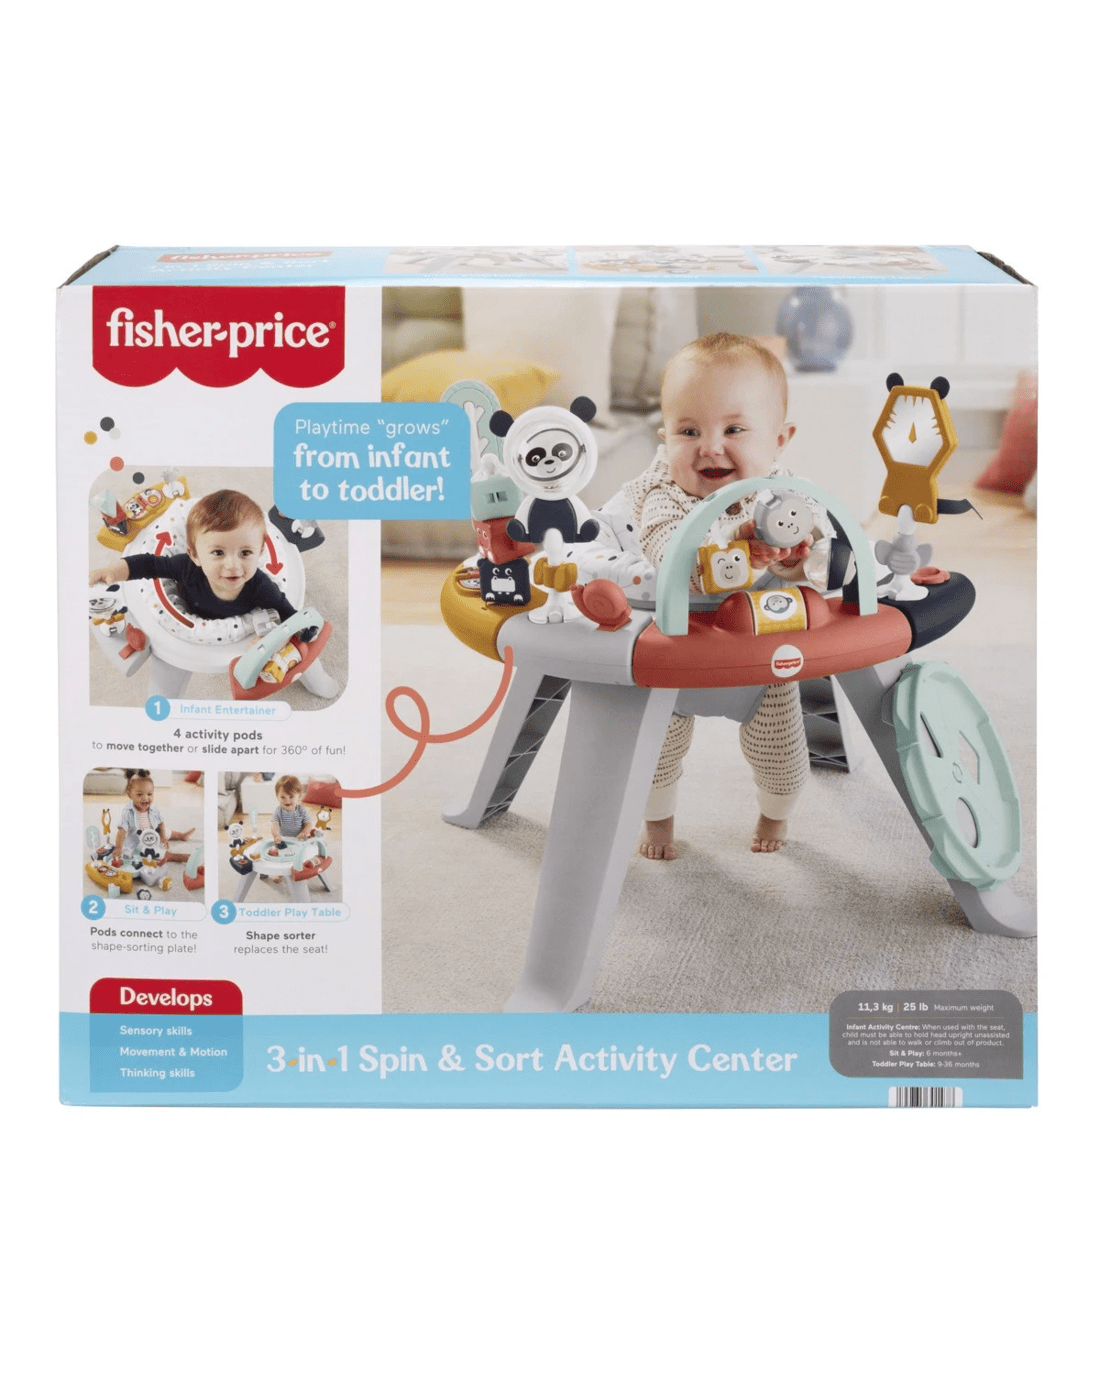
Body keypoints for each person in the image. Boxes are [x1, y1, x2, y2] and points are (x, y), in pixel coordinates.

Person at [622, 333, 831, 859]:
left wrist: (794, 558)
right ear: (665, 437)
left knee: (782, 755)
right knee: (652, 753)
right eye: (688, 430)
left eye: (734, 429)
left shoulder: (787, 495)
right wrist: (733, 550)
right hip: (674, 652)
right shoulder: (663, 494)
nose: (710, 447)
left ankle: (775, 813)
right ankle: (658, 823)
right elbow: (668, 551)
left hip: (762, 654)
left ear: (779, 440)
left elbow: (816, 557)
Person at [89, 489, 312, 632]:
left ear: (260, 552)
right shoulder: (186, 567)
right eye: (218, 552)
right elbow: (149, 564)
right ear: (195, 554)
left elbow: (285, 611)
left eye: (245, 553)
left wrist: (305, 629)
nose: (233, 565)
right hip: (189, 613)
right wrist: (113, 571)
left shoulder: (261, 586)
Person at [112, 768, 194, 867]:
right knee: (149, 851)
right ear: (129, 794)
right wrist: (118, 848)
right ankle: (174, 856)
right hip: (139, 840)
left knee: (166, 831)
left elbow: (161, 823)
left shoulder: (154, 809)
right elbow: (122, 830)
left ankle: (181, 836)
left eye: (149, 794)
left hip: (153, 831)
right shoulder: (128, 811)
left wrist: (163, 837)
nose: (145, 798)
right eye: (139, 794)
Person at [270, 775, 313, 842]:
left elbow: (308, 823)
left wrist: (304, 832)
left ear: (299, 796)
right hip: (284, 839)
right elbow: (274, 825)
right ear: (277, 797)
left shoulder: (302, 810)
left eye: (291, 797)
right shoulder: (278, 811)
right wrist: (276, 835)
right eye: (282, 797)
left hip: (299, 839)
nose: (287, 801)